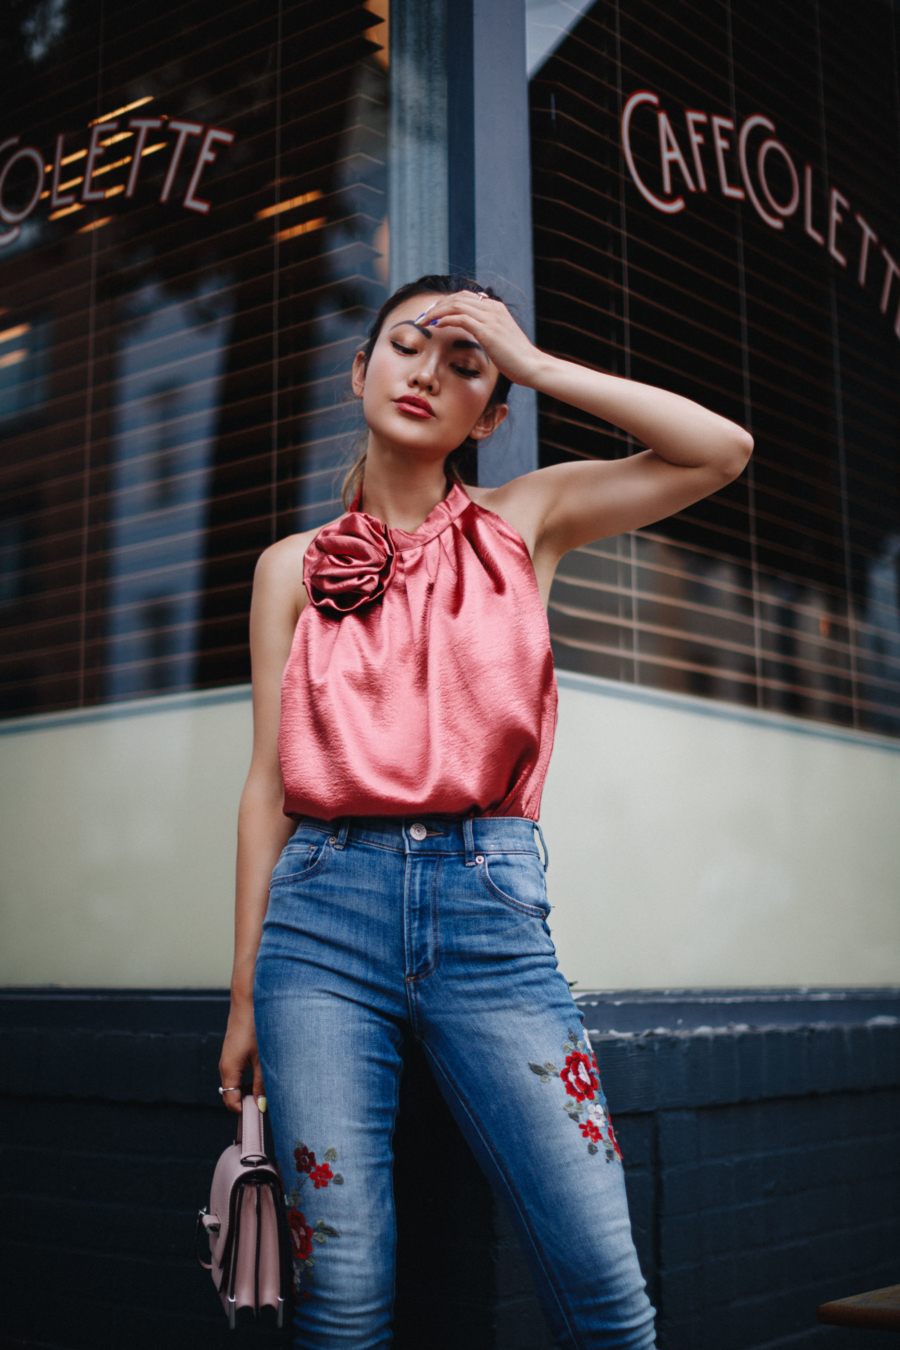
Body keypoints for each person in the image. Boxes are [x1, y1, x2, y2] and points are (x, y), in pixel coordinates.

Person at [218, 274, 753, 1347]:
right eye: (408, 346)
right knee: (345, 1298)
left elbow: (720, 450)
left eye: (467, 365)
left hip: (488, 906)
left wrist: (540, 360)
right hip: (318, 921)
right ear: (359, 370)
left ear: (491, 415)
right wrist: (243, 999)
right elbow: (269, 785)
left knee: (605, 1284)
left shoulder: (526, 523)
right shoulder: (288, 569)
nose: (429, 374)